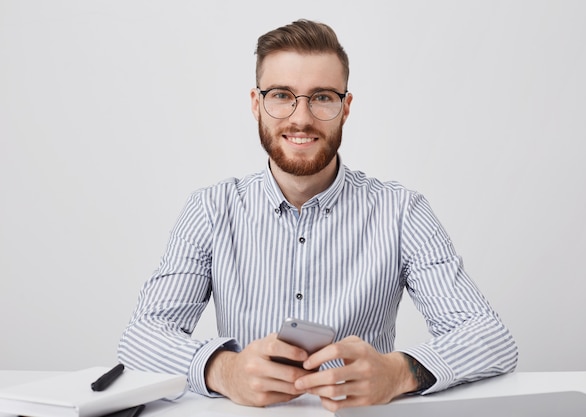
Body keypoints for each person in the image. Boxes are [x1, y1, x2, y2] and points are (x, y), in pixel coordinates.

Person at [117, 19, 518, 412]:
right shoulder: (211, 209)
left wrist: (399, 372)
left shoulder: (401, 211)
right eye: (281, 95)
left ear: (345, 108)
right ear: (257, 104)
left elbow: (489, 337)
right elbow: (141, 337)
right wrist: (224, 371)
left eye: (323, 96)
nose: (301, 117)